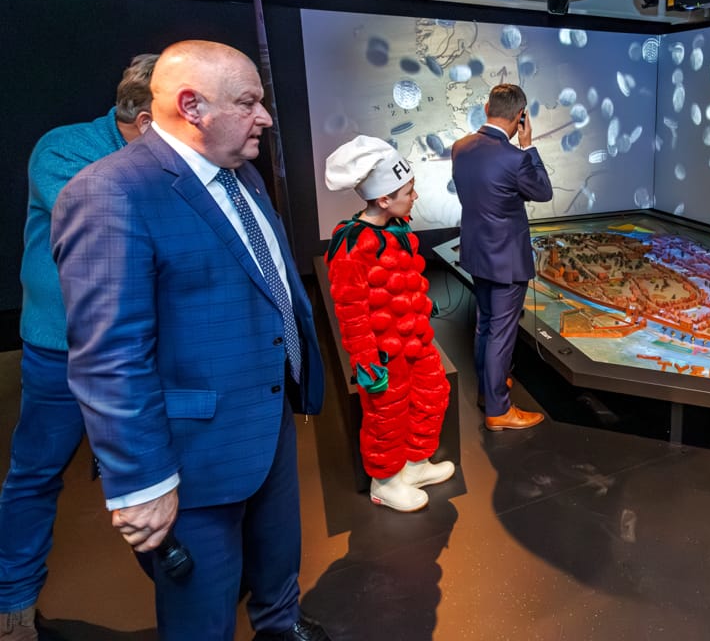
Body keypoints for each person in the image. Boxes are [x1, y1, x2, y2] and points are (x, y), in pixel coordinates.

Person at [49, 41, 328, 641]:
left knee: (278, 560)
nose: (266, 117)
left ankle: (281, 626)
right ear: (191, 106)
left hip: (266, 414)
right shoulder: (111, 193)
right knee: (202, 610)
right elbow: (108, 357)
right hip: (191, 453)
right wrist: (143, 482)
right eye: (249, 102)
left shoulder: (241, 172)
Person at [0, 54, 156, 639]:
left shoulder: (160, 158)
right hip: (61, 351)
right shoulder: (64, 149)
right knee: (35, 474)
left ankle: (191, 578)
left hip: (138, 347)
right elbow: (114, 227)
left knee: (151, 472)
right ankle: (12, 605)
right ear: (146, 118)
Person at [323, 135, 453, 512]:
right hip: (383, 353)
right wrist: (365, 361)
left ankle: (414, 464)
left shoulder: (398, 231)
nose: (414, 197)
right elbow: (351, 309)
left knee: (433, 396)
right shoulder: (350, 246)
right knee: (387, 416)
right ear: (384, 199)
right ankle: (385, 481)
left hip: (416, 342)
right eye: (407, 191)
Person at [451, 83, 553, 431]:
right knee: (501, 333)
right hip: (507, 259)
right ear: (521, 116)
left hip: (477, 253)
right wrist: (529, 145)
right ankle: (498, 409)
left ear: (486, 108)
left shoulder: (460, 147)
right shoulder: (516, 157)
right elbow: (542, 191)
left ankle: (487, 390)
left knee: (485, 325)